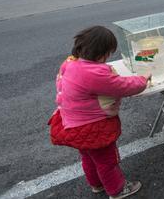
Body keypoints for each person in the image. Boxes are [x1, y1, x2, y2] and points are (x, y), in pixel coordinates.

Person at [49, 26, 150, 199]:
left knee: (88, 157)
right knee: (107, 161)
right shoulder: (92, 73)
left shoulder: (70, 63)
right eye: (108, 53)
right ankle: (117, 190)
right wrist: (143, 79)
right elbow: (123, 86)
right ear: (102, 52)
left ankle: (96, 185)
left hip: (70, 123)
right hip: (92, 127)